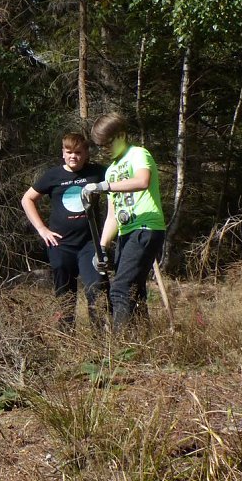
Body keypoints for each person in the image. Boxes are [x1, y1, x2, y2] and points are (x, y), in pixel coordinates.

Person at [82, 111, 166, 331]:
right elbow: (112, 214)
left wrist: (104, 187)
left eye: (108, 143)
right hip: (126, 232)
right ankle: (143, 344)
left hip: (146, 227)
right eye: (100, 146)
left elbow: (142, 181)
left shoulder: (137, 154)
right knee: (134, 291)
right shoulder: (110, 171)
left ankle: (122, 348)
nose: (105, 149)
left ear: (122, 135)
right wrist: (101, 247)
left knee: (120, 288)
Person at [21, 132, 109, 330]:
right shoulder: (53, 175)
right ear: (63, 153)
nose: (73, 156)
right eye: (69, 152)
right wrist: (42, 229)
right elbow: (27, 199)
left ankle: (101, 340)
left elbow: (120, 180)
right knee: (64, 293)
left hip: (90, 243)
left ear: (86, 153)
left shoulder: (97, 172)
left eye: (78, 152)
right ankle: (66, 337)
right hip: (61, 244)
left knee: (95, 287)